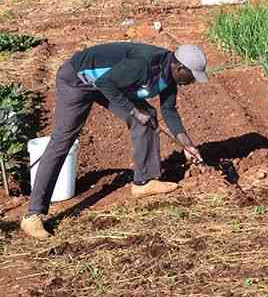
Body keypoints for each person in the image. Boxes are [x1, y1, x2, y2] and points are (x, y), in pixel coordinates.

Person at [20, 43, 209, 240]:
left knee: (147, 118)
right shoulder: (143, 65)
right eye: (192, 76)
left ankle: (143, 181)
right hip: (77, 79)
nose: (193, 81)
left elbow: (169, 110)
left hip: (107, 83)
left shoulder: (169, 75)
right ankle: (32, 215)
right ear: (179, 68)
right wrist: (134, 111)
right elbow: (105, 83)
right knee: (62, 141)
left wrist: (187, 144)